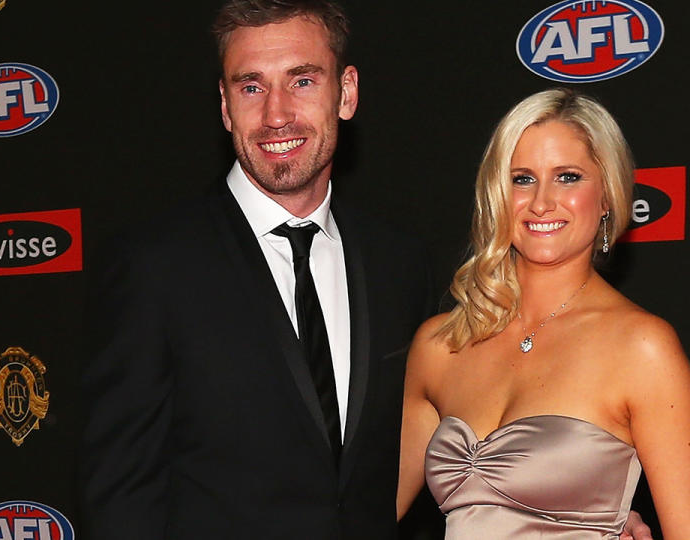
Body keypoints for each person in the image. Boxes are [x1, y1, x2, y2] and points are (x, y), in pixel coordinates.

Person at [77, 1, 435, 538]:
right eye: (251, 87)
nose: (275, 114)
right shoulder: (152, 267)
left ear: (347, 92)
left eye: (302, 81)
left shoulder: (399, 264)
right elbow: (120, 498)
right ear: (224, 105)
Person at [397, 89, 690, 539]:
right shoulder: (441, 345)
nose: (542, 202)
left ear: (607, 195)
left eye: (568, 177)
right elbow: (361, 512)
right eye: (522, 179)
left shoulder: (642, 347)